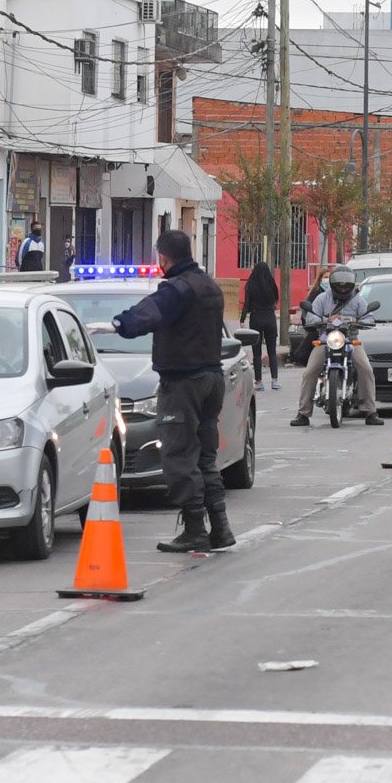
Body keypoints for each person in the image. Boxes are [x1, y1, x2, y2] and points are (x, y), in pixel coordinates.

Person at [109, 229, 234, 552]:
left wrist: (118, 324)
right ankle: (219, 526)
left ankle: (195, 528)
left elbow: (148, 313)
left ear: (163, 258)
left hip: (183, 384)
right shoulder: (209, 285)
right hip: (211, 378)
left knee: (178, 455)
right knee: (205, 456)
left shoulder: (178, 289)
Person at [291, 266, 382, 427]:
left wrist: (357, 322)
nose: (343, 288)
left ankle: (370, 410)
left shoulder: (358, 300)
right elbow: (311, 316)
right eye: (339, 286)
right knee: (310, 371)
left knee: (366, 369)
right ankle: (303, 413)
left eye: (346, 286)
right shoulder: (321, 299)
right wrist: (322, 320)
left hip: (350, 341)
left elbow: (369, 318)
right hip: (326, 340)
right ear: (333, 285)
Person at [240, 260, 281, 389]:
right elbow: (276, 300)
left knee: (256, 352)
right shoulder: (272, 284)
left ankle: (259, 382)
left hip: (256, 318)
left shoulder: (250, 285)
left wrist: (242, 320)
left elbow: (246, 304)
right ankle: (274, 381)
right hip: (270, 318)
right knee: (272, 351)